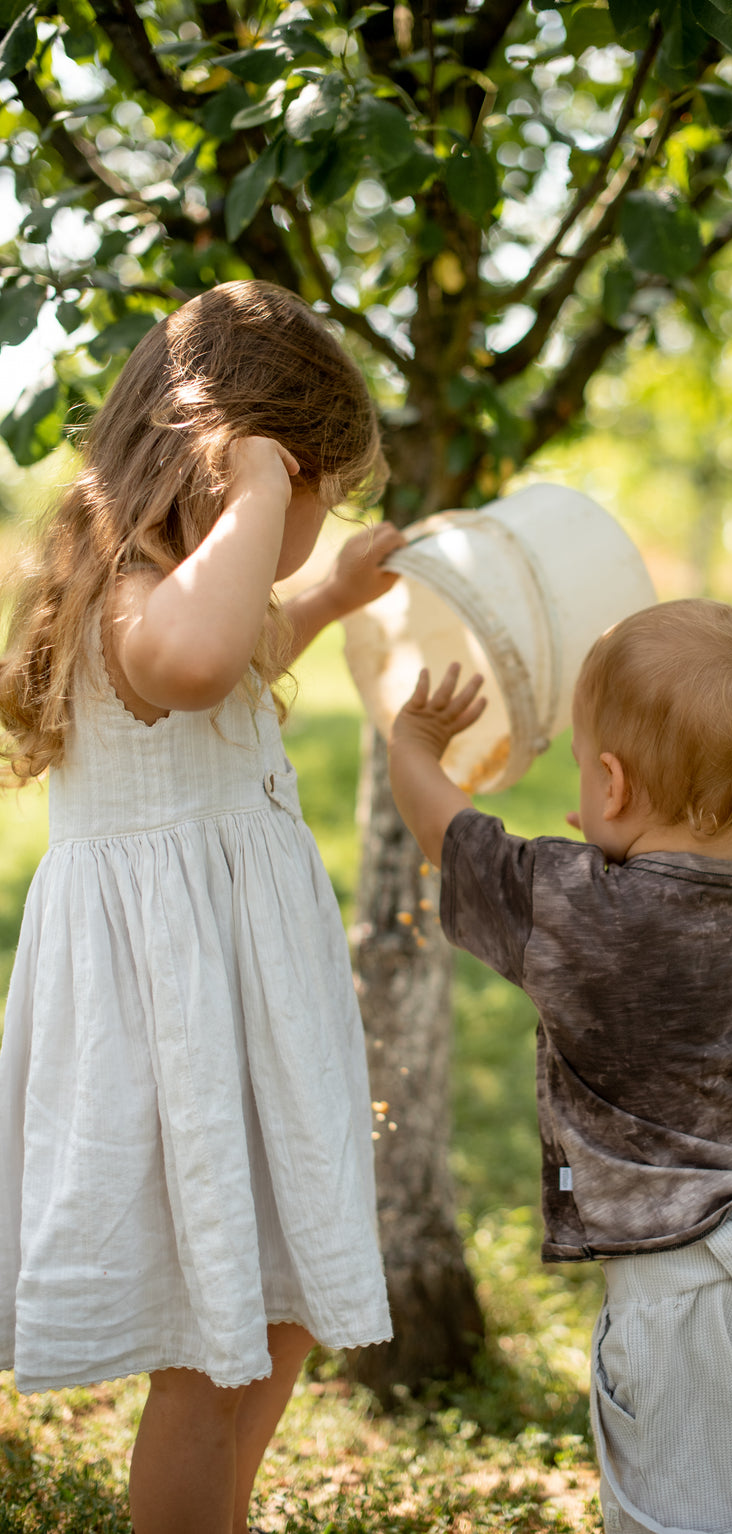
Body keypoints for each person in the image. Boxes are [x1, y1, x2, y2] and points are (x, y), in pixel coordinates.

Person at [0, 280, 399, 1534]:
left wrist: (329, 594)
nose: (311, 514)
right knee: (212, 1349)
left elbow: (244, 655)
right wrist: (270, 489)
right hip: (178, 1027)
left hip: (246, 1014)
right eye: (314, 486)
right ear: (240, 470)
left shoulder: (191, 595)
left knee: (272, 1316)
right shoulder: (133, 590)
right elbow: (196, 659)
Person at [387, 597, 732, 1534]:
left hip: (680, 1284)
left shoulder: (568, 904)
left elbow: (454, 838)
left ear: (610, 784)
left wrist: (414, 746)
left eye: (584, 763)